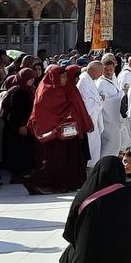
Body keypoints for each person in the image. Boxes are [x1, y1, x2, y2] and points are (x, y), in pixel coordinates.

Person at [26, 64, 94, 194]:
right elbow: (44, 112)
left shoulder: (63, 89)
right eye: (62, 77)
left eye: (65, 77)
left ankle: (64, 184)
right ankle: (35, 182)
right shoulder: (47, 91)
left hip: (66, 132)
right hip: (52, 133)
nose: (65, 79)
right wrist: (68, 109)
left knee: (66, 159)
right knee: (54, 161)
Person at [0, 67, 37, 182]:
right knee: (19, 151)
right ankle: (17, 175)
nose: (32, 80)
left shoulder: (29, 90)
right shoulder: (18, 91)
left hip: (27, 125)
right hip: (19, 127)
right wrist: (21, 125)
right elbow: (15, 111)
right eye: (29, 78)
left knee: (25, 151)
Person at [76, 61, 107, 163]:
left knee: (94, 148)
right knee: (90, 148)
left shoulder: (89, 81)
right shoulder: (83, 81)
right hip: (88, 120)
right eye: (100, 71)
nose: (102, 74)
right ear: (93, 70)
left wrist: (98, 99)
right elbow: (86, 104)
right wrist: (99, 101)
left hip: (94, 119)